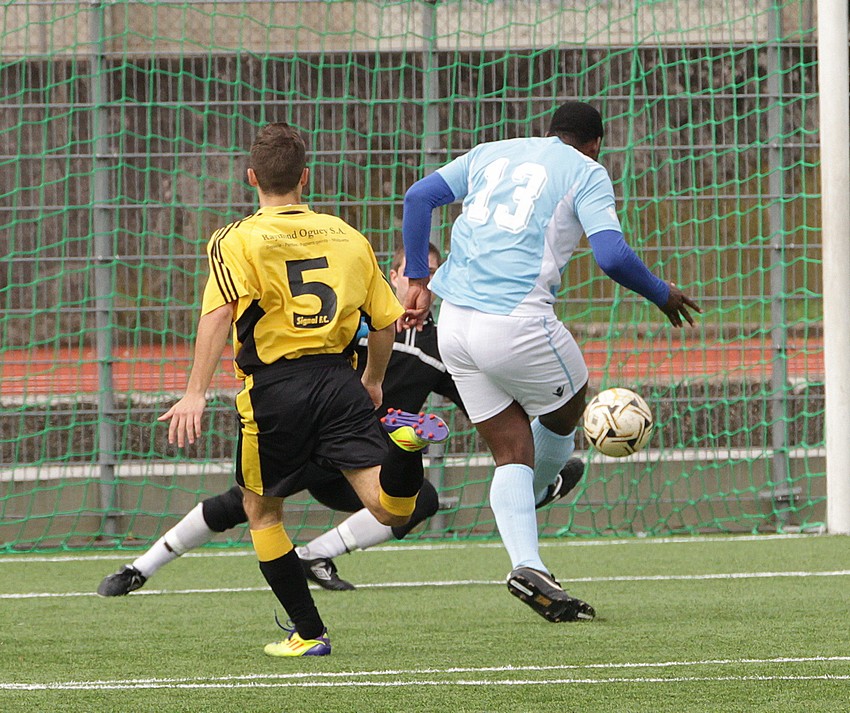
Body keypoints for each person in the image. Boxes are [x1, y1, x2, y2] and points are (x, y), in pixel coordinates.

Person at [98, 245, 584, 596]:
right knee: (239, 504)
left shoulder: (444, 350)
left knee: (421, 499)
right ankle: (139, 568)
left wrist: (537, 463)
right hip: (314, 438)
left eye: (433, 275)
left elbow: (489, 417)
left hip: (362, 465)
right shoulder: (357, 321)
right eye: (413, 273)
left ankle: (316, 555)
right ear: (393, 278)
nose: (422, 283)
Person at [400, 101, 701, 623]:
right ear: (595, 144)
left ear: (548, 131)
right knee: (572, 404)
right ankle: (542, 487)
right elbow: (611, 255)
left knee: (510, 448)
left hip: (453, 323)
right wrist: (661, 293)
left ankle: (527, 563)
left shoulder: (492, 152)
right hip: (516, 321)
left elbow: (418, 196)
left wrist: (418, 280)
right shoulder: (586, 170)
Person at [154, 122, 421, 658]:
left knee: (262, 510)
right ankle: (407, 450)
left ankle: (309, 633)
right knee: (390, 508)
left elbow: (219, 311)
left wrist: (195, 391)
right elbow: (386, 323)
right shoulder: (349, 235)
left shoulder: (235, 238)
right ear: (306, 177)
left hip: (275, 390)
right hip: (340, 380)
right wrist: (371, 381)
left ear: (251, 176)